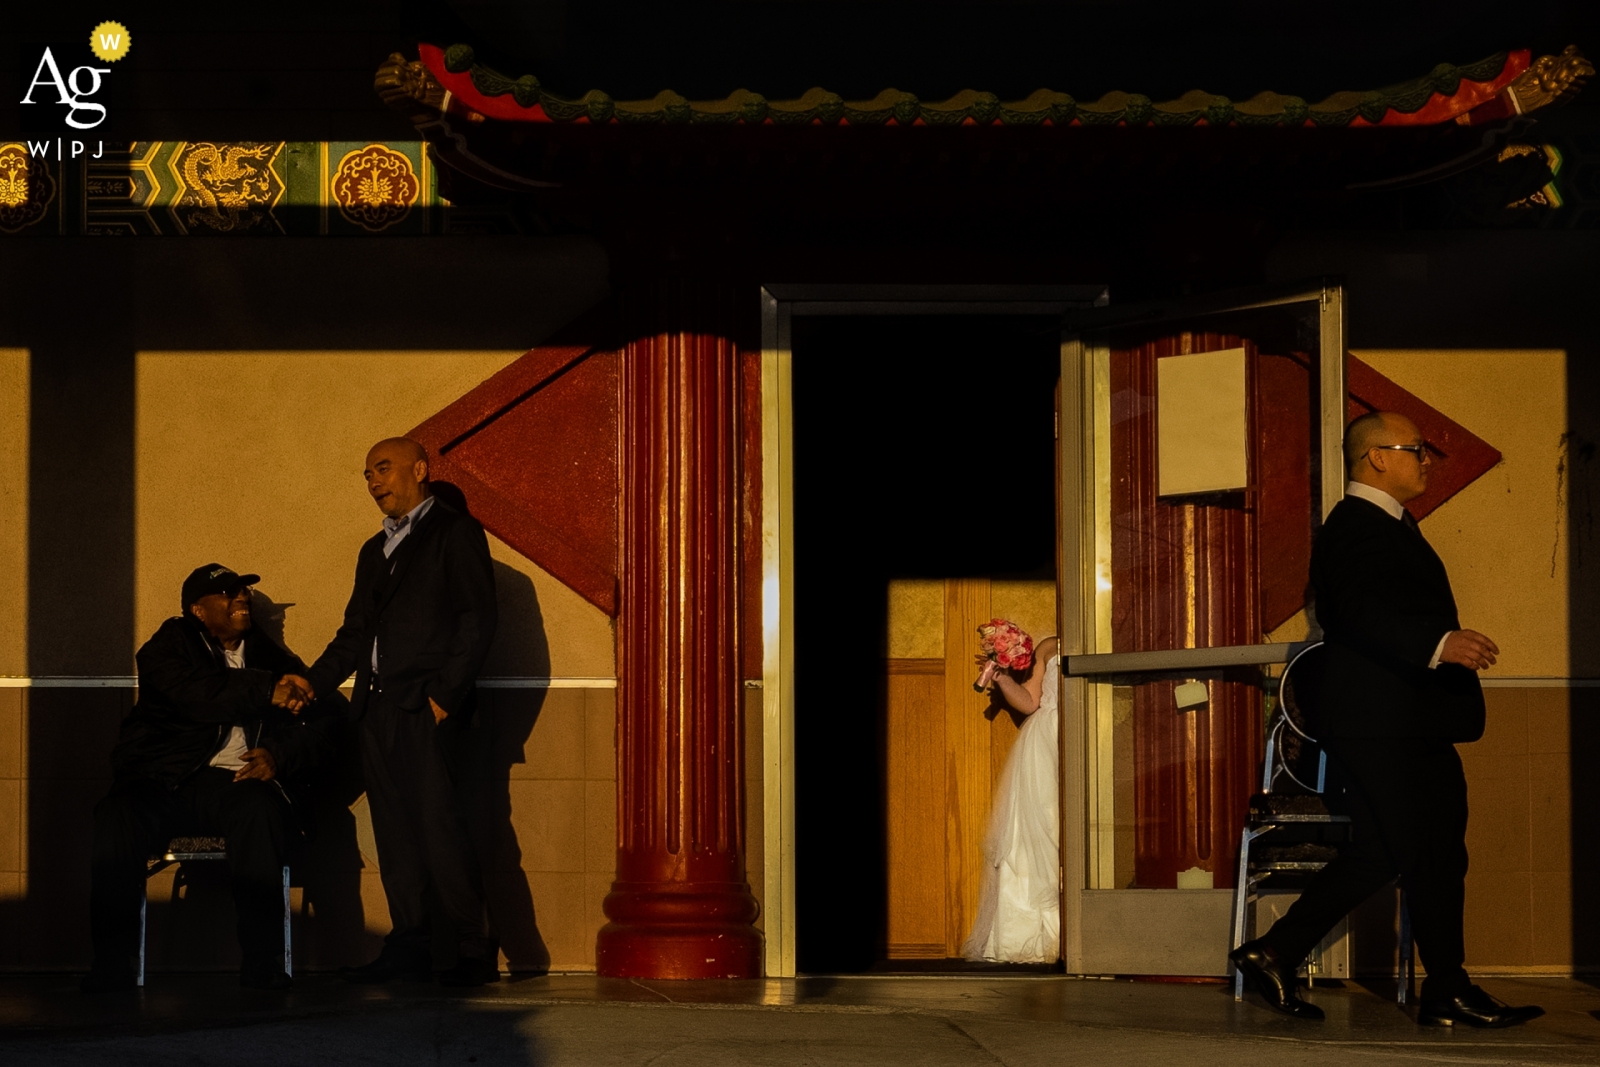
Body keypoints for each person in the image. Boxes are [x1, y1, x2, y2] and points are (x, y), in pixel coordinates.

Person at [1230, 411, 1543, 1028]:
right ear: (1376, 457)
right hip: (1379, 722)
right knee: (1426, 850)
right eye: (1416, 450)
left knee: (1395, 851)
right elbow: (1354, 610)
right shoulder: (1353, 525)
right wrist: (1438, 643)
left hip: (1407, 719)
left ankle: (1274, 952)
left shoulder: (1392, 524)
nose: (1427, 460)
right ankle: (1446, 990)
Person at [302, 437, 499, 987]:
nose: (373, 483)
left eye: (382, 470)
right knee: (394, 836)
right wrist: (312, 684)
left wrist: (443, 697)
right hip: (376, 709)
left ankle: (470, 947)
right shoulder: (374, 550)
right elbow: (354, 634)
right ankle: (411, 944)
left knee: (441, 829)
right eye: (366, 475)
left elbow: (476, 619)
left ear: (419, 469)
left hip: (425, 709)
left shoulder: (455, 532)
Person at [84, 565, 330, 992]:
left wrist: (279, 755)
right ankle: (111, 966)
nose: (242, 599)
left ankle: (262, 965)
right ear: (198, 610)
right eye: (228, 593)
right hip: (163, 778)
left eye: (244, 592)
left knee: (259, 809)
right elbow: (193, 693)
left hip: (232, 785)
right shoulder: (169, 646)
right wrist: (264, 690)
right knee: (115, 817)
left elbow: (324, 727)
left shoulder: (273, 659)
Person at [962, 635, 1061, 962]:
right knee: (1034, 835)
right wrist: (1002, 676)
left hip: (1088, 734)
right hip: (1044, 744)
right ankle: (1025, 936)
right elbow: (1031, 702)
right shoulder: (1049, 646)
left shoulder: (1106, 641)